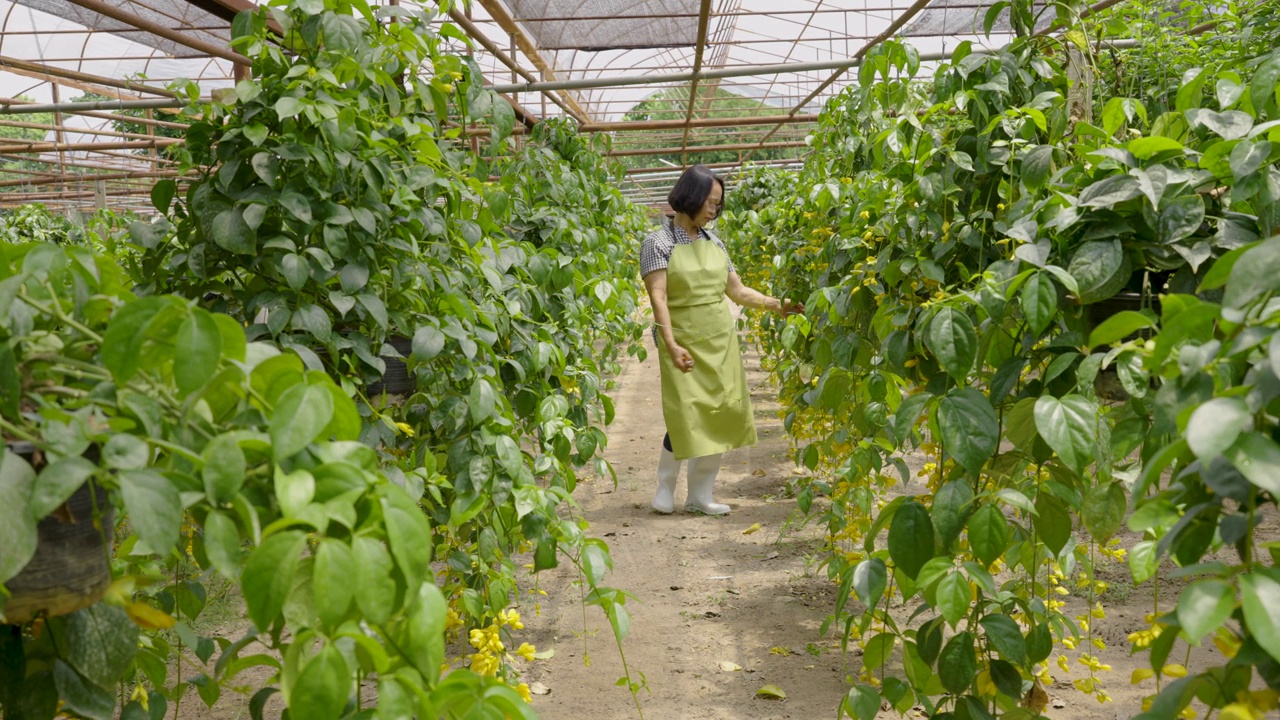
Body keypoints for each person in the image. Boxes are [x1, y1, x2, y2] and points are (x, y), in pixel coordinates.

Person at [639, 165, 803, 515]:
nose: (713, 210)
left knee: (719, 413)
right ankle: (665, 487)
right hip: (680, 339)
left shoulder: (716, 243)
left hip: (718, 339)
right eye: (709, 203)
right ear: (690, 198)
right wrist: (670, 344)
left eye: (718, 204)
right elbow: (659, 298)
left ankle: (700, 495)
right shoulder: (658, 242)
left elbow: (738, 291)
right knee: (684, 414)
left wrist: (779, 306)